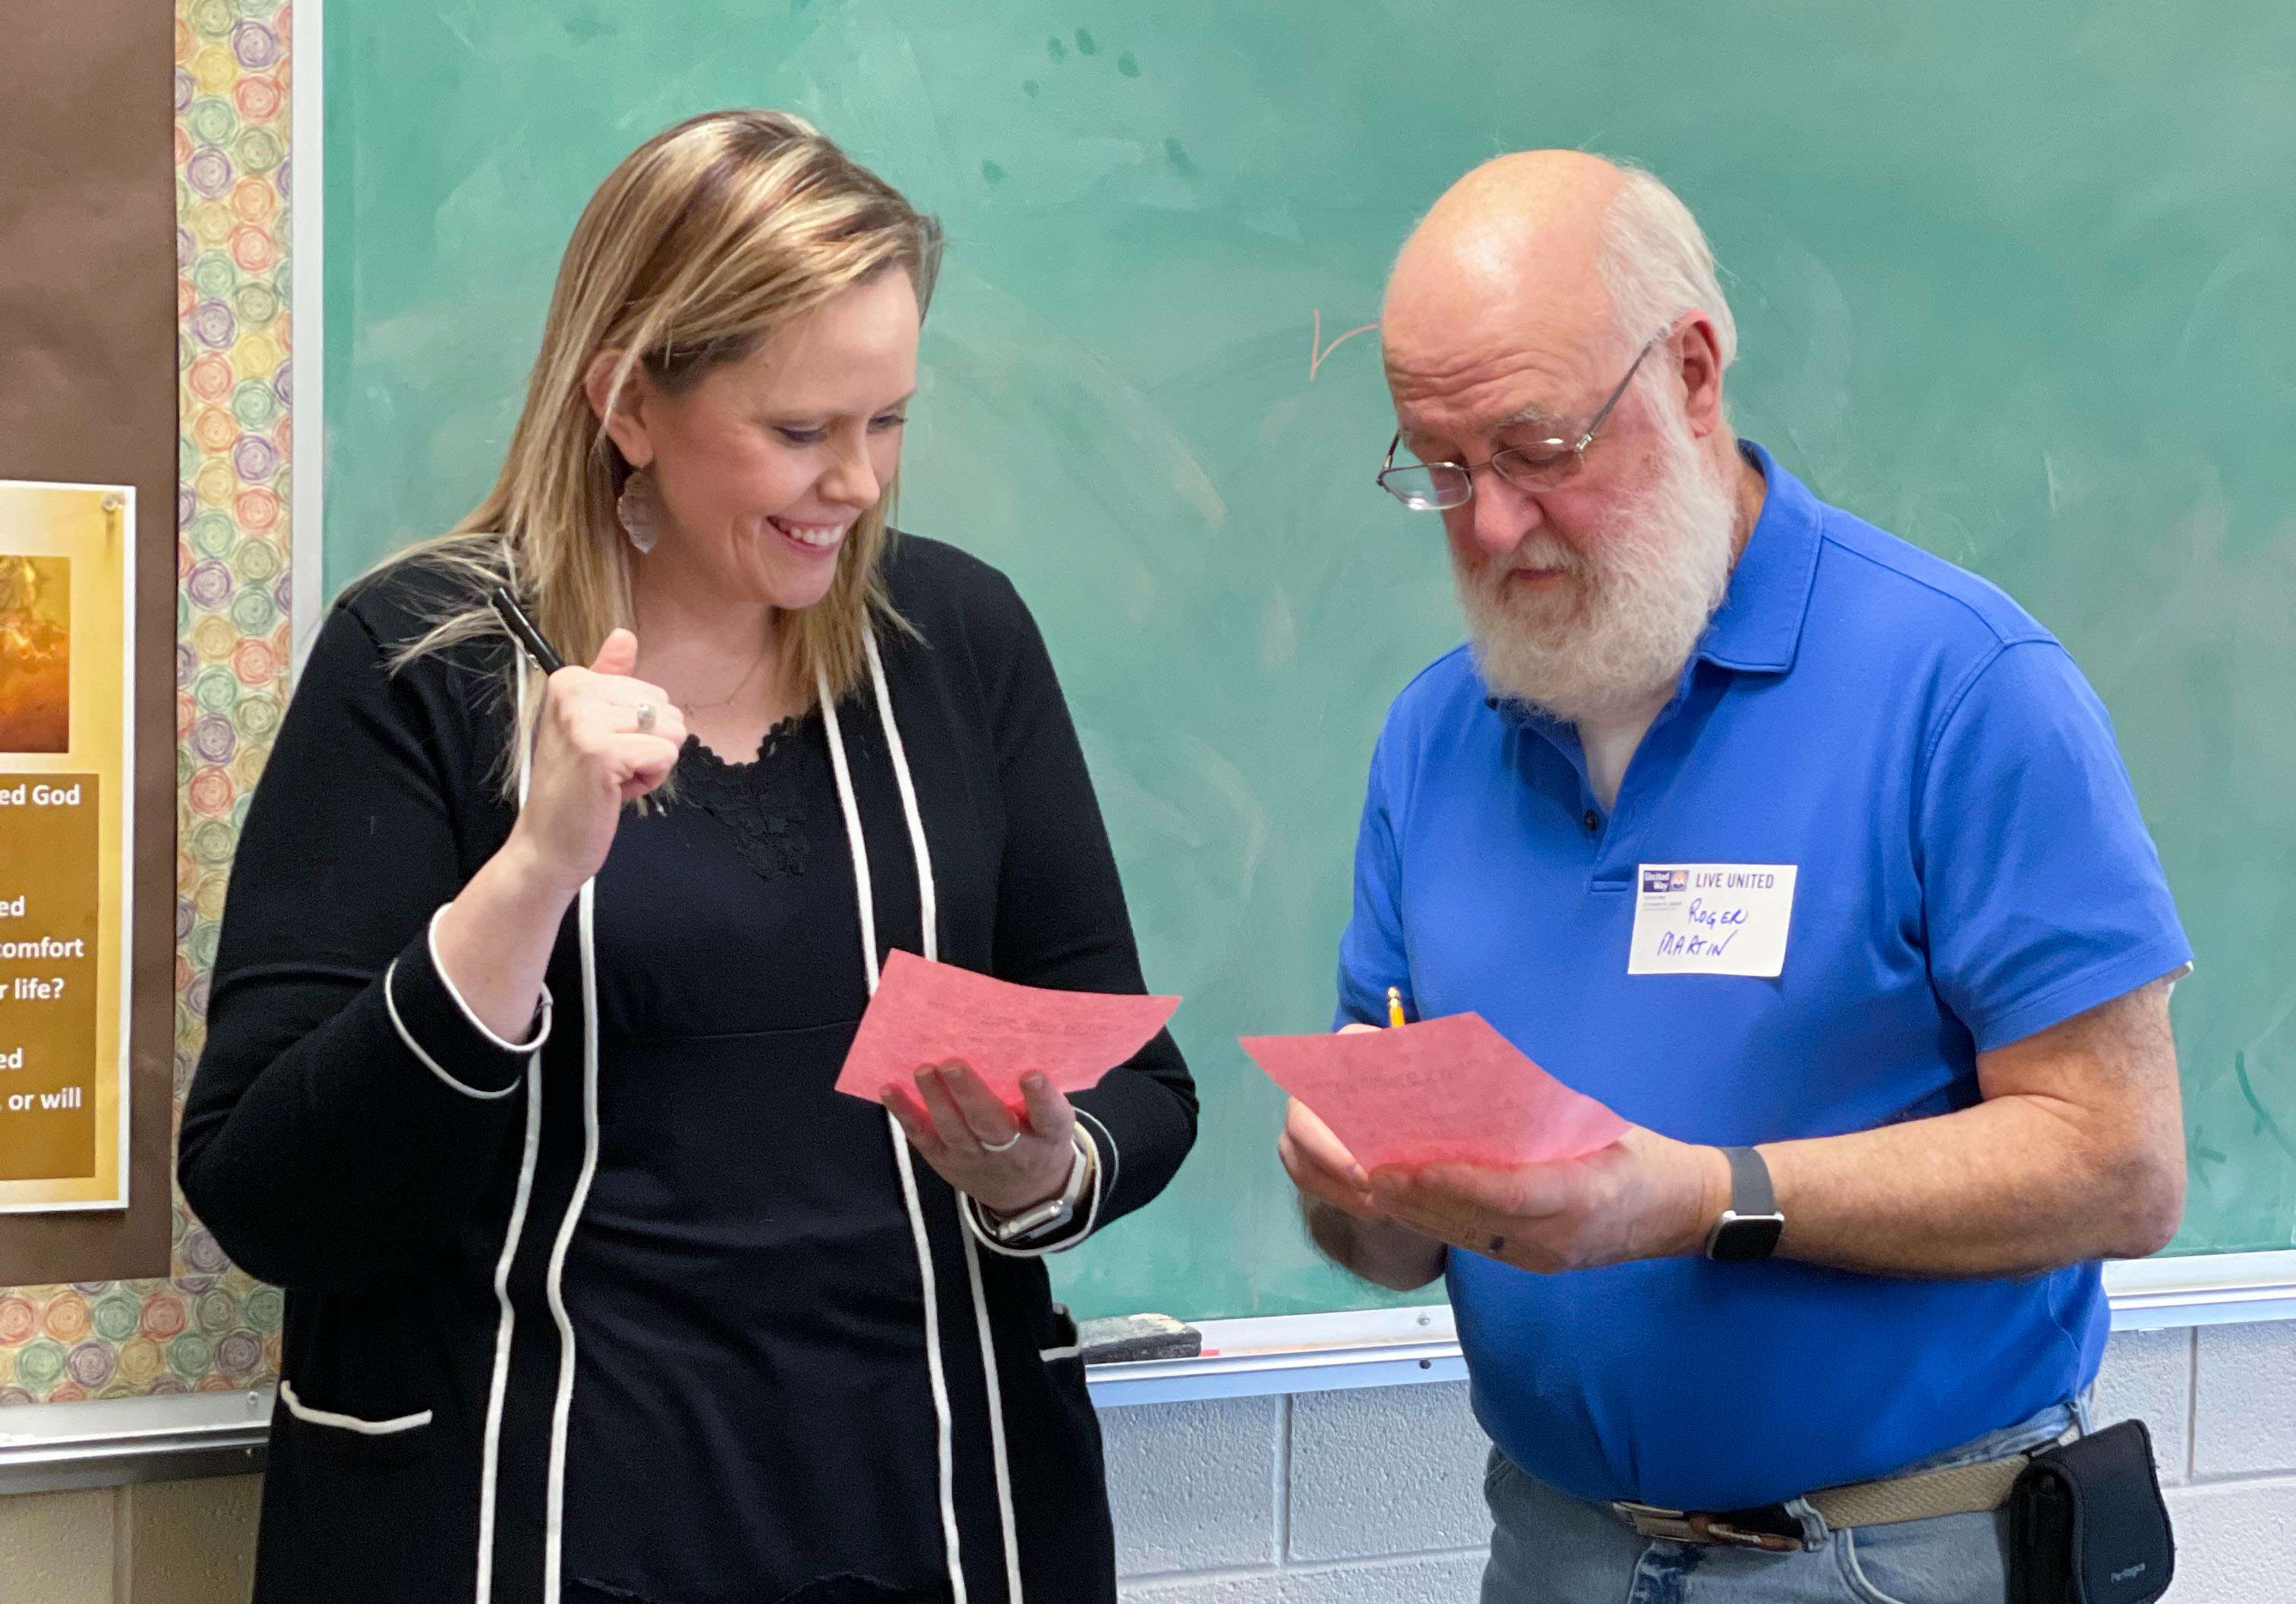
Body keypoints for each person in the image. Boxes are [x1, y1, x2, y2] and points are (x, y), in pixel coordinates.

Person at [180, 110, 1196, 1604]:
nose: (856, 483)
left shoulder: (958, 644)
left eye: (889, 420)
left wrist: (1050, 1166)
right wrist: (532, 873)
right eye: (799, 431)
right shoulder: (424, 661)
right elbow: (272, 1194)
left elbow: (1140, 1090)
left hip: (923, 1519)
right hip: (528, 1530)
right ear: (629, 402)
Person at [1280, 151, 2189, 1604]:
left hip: (1901, 1555)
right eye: (1442, 469)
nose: (1493, 524)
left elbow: (2120, 1164)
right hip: (1558, 1546)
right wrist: (1360, 1199)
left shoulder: (1966, 689)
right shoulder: (1433, 736)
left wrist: (1703, 1197)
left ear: (1693, 374)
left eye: (1535, 448)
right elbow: (1388, 1244)